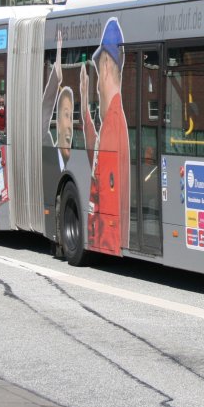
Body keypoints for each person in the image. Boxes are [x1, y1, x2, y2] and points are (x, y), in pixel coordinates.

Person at [79, 17, 130, 255]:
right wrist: (84, 111)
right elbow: (98, 164)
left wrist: (101, 246)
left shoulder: (112, 125)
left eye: (98, 73)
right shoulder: (113, 118)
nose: (97, 85)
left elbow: (108, 220)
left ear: (107, 67)